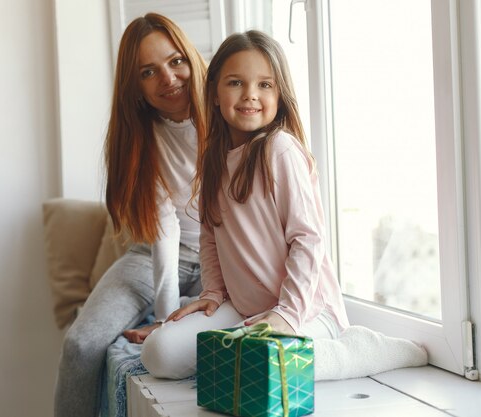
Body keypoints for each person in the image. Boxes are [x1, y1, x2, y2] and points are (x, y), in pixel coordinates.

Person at [140, 30, 350, 380]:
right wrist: (212, 293)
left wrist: (287, 313)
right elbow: (210, 236)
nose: (251, 95)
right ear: (215, 94)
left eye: (265, 85)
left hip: (308, 311)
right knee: (158, 352)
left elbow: (308, 240)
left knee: (254, 366)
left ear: (280, 95)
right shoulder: (215, 160)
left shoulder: (280, 150)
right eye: (236, 83)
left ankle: (354, 349)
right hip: (243, 309)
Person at [54, 13, 207, 417]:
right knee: (81, 343)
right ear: (135, 86)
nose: (168, 78)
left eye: (175, 61)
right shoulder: (142, 137)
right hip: (151, 255)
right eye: (148, 72)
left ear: (190, 58)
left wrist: (167, 326)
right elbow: (163, 230)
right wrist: (166, 315)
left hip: (221, 260)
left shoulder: (226, 117)